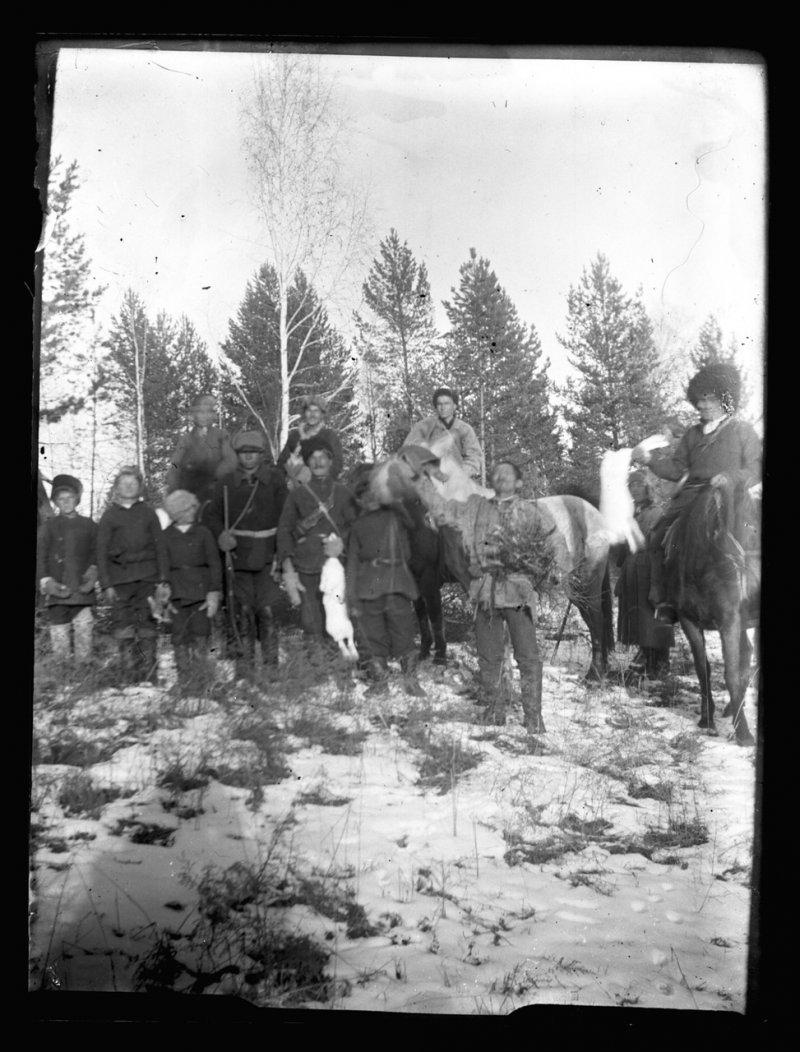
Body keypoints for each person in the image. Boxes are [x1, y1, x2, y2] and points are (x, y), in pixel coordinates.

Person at [409, 455, 546, 734]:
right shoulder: (476, 506)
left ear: (519, 482)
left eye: (508, 474)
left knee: (528, 657)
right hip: (486, 593)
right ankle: (495, 710)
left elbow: (548, 552)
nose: (501, 477)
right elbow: (441, 509)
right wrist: (420, 480)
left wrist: (536, 578)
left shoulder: (532, 512)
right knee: (488, 655)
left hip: (519, 595)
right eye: (496, 473)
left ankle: (534, 717)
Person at [632, 363, 762, 623]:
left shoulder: (742, 431)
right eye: (699, 399)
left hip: (731, 498)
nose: (701, 405)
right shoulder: (692, 434)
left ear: (725, 398)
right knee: (658, 536)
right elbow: (677, 468)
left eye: (708, 398)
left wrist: (730, 478)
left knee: (752, 538)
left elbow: (755, 469)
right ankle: (666, 600)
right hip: (691, 497)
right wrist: (649, 459)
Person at [205, 431, 287, 677]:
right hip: (237, 558)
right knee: (241, 614)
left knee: (268, 612)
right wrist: (221, 535)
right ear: (237, 455)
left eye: (253, 452)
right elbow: (212, 515)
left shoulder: (275, 480)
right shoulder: (226, 482)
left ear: (261, 454)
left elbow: (286, 519)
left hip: (267, 557)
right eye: (243, 452)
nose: (248, 456)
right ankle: (244, 671)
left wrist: (281, 555)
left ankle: (271, 670)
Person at [276, 436, 359, 653]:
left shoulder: (343, 492)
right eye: (312, 458)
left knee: (338, 613)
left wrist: (342, 543)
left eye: (323, 457)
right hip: (306, 563)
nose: (318, 462)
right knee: (310, 617)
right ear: (306, 463)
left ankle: (340, 665)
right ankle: (317, 666)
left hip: (337, 564)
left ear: (331, 461)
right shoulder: (297, 495)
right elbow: (285, 529)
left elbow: (356, 526)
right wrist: (287, 565)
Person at [346, 478, 425, 698]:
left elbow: (413, 530)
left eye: (373, 494)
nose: (368, 499)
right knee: (373, 637)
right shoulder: (357, 526)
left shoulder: (397, 517)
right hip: (368, 586)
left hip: (396, 583)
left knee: (403, 634)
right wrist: (351, 597)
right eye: (363, 496)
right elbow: (352, 562)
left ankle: (411, 682)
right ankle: (380, 684)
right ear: (359, 501)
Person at [97, 467, 170, 685]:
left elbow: (160, 547)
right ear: (117, 488)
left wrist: (163, 578)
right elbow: (101, 552)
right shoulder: (109, 516)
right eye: (124, 483)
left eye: (133, 483)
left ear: (139, 487)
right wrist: (106, 583)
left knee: (147, 625)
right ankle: (128, 676)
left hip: (147, 578)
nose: (128, 487)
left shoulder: (148, 513)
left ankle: (149, 674)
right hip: (120, 581)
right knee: (123, 625)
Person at [614, 471, 675, 679]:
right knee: (638, 615)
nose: (635, 488)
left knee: (652, 613)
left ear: (648, 487)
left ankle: (661, 663)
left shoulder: (657, 512)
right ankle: (647, 657)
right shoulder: (631, 513)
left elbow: (654, 543)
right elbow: (623, 545)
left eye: (639, 484)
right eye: (631, 485)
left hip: (650, 568)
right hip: (632, 568)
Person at [162, 489, 223, 689]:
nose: (191, 512)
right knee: (179, 637)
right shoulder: (166, 536)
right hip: (176, 593)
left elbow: (214, 563)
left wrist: (214, 591)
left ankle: (202, 678)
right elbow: (162, 567)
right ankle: (184, 679)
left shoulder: (203, 533)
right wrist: (164, 594)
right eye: (185, 509)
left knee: (201, 635)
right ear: (175, 511)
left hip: (201, 593)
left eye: (192, 508)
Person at [36, 474, 98, 666]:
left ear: (77, 499)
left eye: (69, 498)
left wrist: (94, 571)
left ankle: (83, 668)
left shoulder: (89, 525)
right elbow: (40, 556)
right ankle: (62, 670)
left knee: (83, 627)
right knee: (59, 631)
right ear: (55, 502)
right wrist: (46, 581)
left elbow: (98, 551)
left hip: (81, 587)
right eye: (61, 499)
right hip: (58, 589)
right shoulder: (48, 526)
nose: (65, 502)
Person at [165, 394, 238, 506]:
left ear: (213, 415)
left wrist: (215, 477)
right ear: (194, 415)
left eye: (208, 412)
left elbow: (230, 461)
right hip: (191, 492)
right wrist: (173, 486)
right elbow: (175, 463)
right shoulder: (186, 440)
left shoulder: (222, 435)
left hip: (216, 490)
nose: (205, 416)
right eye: (200, 412)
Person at [402, 387, 483, 480]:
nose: (443, 407)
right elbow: (408, 448)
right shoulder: (424, 426)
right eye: (439, 404)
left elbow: (474, 457)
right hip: (430, 479)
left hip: (458, 480)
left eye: (447, 403)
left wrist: (459, 474)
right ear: (436, 406)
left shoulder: (465, 429)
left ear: (454, 406)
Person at [277, 394, 344, 484]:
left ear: (322, 414)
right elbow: (281, 463)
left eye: (316, 411)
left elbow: (337, 464)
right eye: (309, 410)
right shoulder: (295, 436)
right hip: (296, 488)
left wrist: (316, 478)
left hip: (322, 488)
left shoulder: (329, 436)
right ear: (304, 413)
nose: (312, 414)